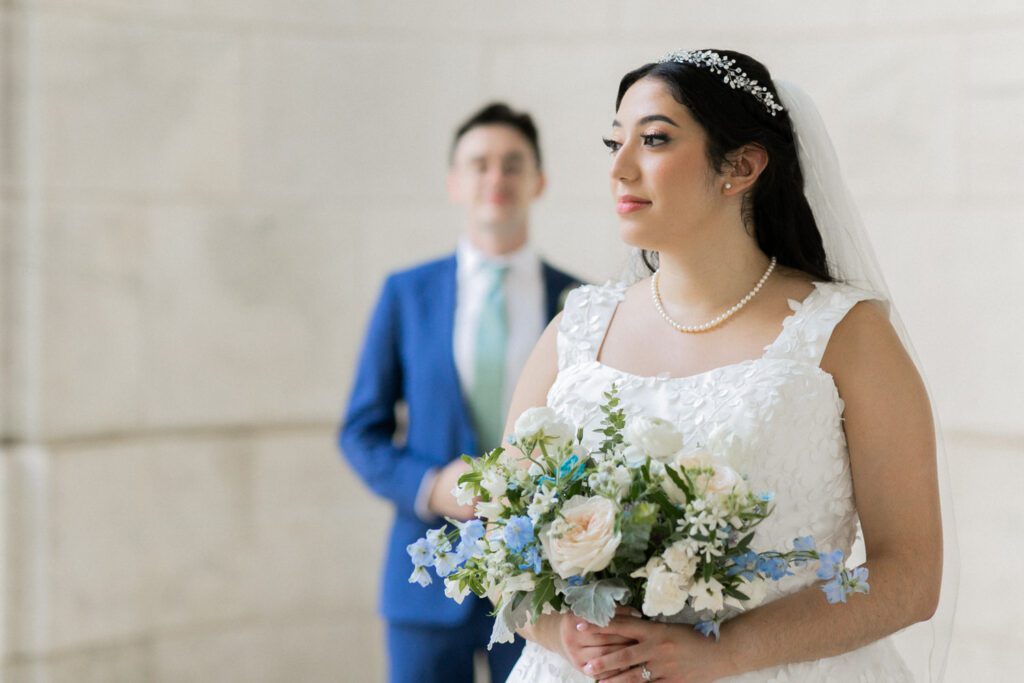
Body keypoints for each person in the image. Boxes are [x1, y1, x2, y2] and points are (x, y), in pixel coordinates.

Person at [502, 50, 956, 682]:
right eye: (614, 142)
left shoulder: (847, 334)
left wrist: (727, 651)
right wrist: (568, 635)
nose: (620, 168)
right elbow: (505, 547)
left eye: (654, 140)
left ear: (740, 167)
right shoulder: (574, 331)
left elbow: (909, 575)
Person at [340, 102, 581, 683]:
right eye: (479, 164)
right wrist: (429, 486)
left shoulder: (581, 302)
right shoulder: (406, 294)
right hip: (424, 588)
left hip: (542, 584)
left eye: (512, 164)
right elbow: (359, 432)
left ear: (539, 181)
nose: (495, 178)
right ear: (455, 182)